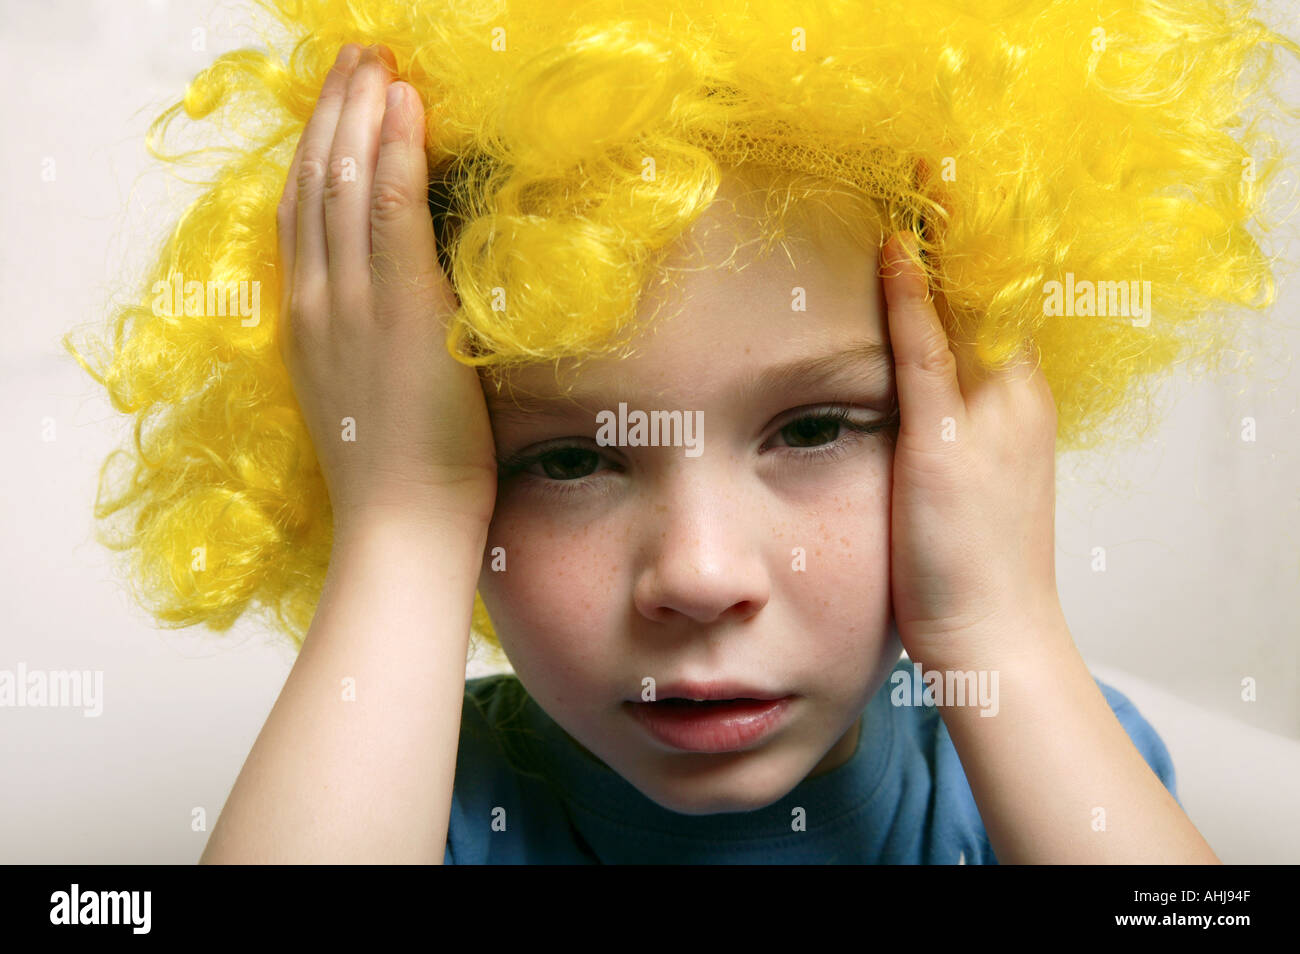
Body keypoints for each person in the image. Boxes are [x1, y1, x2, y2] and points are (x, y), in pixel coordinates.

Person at [63, 0, 1298, 863]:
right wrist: (397, 526)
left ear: (971, 436)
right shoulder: (406, 804)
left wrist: (1004, 632)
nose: (701, 576)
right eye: (567, 457)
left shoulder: (1027, 758)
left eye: (815, 428)